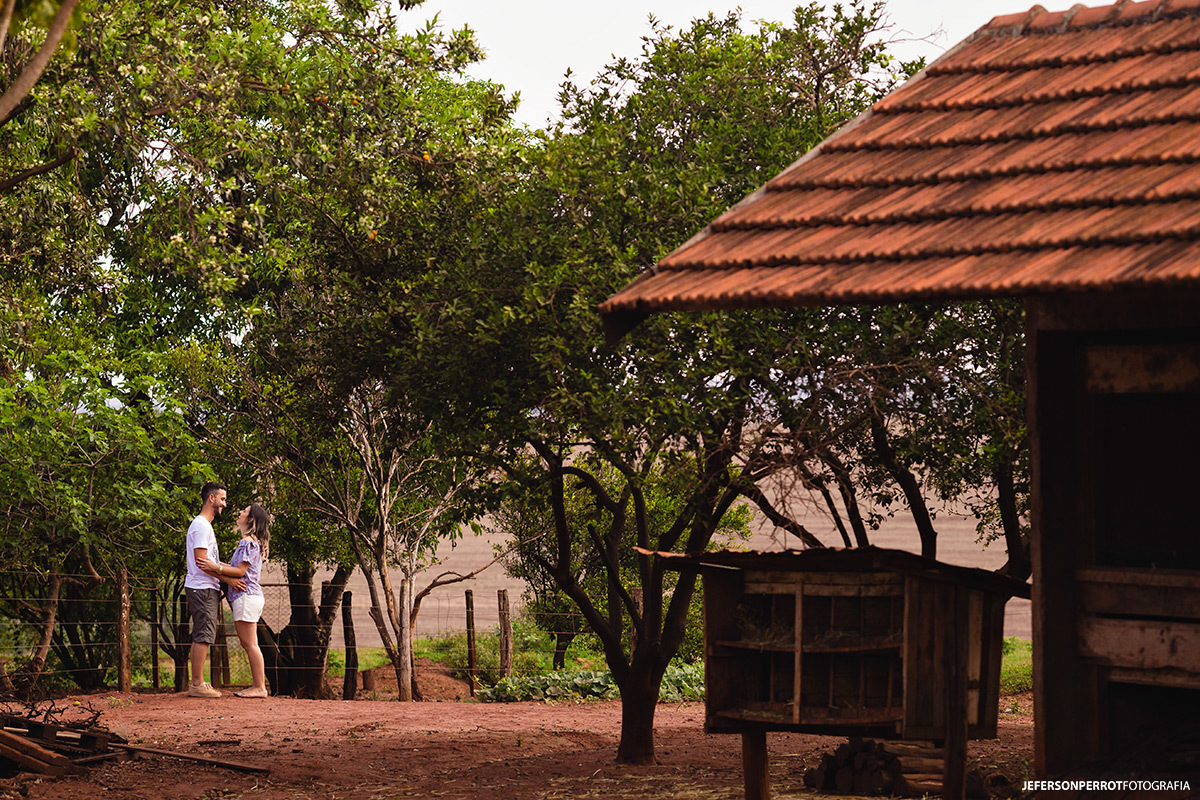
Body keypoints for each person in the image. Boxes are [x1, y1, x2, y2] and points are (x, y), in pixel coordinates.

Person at [218, 504, 271, 698]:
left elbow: (240, 572)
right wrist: (214, 565)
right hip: (247, 597)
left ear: (250, 519)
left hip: (247, 596)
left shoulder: (248, 542)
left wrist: (217, 569)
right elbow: (236, 568)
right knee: (249, 643)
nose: (240, 512)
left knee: (250, 644)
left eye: (244, 511)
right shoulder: (250, 542)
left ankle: (259, 687)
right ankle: (258, 686)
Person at [184, 482, 228, 698]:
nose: (224, 504)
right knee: (204, 634)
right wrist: (228, 577)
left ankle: (197, 682)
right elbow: (202, 561)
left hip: (203, 586)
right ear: (211, 498)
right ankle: (197, 684)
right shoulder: (201, 525)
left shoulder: (204, 525)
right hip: (202, 587)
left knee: (201, 633)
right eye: (222, 499)